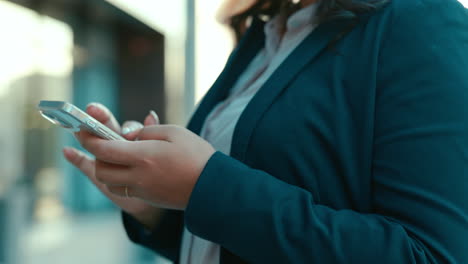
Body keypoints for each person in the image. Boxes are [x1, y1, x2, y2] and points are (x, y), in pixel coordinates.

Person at [63, 0, 468, 263]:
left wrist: (205, 187)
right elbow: (235, 241)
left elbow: (431, 255)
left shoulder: (420, 19)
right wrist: (155, 206)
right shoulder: (266, 36)